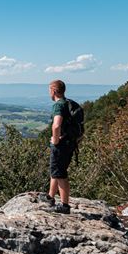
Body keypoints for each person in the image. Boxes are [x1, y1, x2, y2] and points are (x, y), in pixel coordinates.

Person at [46, 79, 76, 214]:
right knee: (56, 171)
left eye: (49, 90)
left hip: (61, 145)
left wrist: (56, 140)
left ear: (53, 90)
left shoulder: (58, 106)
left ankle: (65, 206)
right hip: (69, 143)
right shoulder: (68, 103)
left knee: (60, 174)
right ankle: (50, 197)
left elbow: (57, 124)